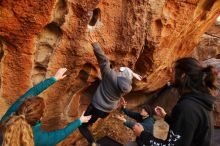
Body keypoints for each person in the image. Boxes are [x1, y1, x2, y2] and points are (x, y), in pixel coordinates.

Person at [132, 57, 218, 146]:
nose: (170, 74)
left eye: (173, 71)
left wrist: (142, 134)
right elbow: (185, 128)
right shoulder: (198, 103)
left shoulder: (187, 108)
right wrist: (165, 117)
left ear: (183, 76)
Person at [79, 34, 142, 146]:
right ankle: (91, 123)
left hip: (96, 106)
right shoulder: (127, 88)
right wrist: (132, 74)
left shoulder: (110, 76)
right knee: (92, 119)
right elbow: (125, 77)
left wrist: (95, 44)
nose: (117, 69)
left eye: (119, 70)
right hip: (105, 111)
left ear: (121, 74)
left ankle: (93, 142)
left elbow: (103, 61)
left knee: (82, 125)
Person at [0, 68, 91, 146]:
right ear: (41, 117)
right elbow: (61, 134)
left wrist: (54, 78)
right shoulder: (39, 138)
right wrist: (80, 121)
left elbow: (32, 92)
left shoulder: (8, 118)